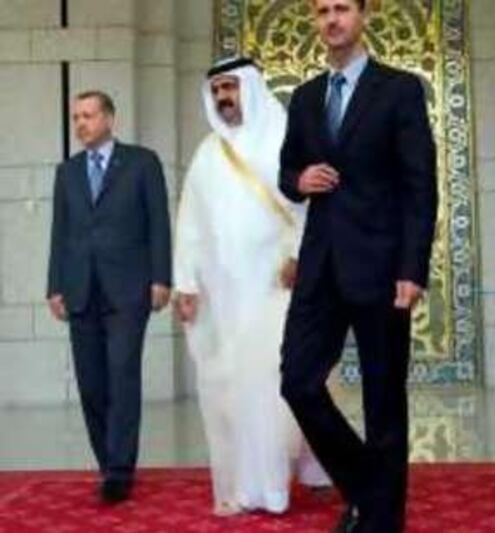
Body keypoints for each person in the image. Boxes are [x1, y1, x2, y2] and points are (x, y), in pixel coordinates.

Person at [278, 0, 438, 530]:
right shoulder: (304, 98)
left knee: (383, 401)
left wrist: (413, 269)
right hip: (321, 266)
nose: (331, 19)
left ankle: (381, 518)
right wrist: (299, 181)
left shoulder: (400, 89)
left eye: (341, 7)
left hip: (383, 268)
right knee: (297, 381)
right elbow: (286, 171)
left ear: (363, 16)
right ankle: (371, 486)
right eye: (322, 10)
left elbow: (420, 185)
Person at [173, 57, 330, 516]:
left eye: (231, 87)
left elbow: (311, 205)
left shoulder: (286, 138)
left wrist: (300, 256)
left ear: (252, 89)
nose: (224, 97)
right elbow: (190, 224)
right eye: (217, 89)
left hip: (277, 286)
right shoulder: (208, 154)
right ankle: (257, 478)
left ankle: (276, 484)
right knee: (234, 390)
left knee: (277, 382)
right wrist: (185, 283)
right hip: (226, 296)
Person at [46, 90, 172, 504]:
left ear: (109, 119)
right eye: (76, 117)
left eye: (88, 115)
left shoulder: (142, 163)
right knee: (92, 385)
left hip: (128, 290)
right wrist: (54, 286)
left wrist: (161, 278)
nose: (81, 124)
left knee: (121, 377)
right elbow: (60, 234)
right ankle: (107, 463)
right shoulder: (67, 172)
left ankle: (120, 471)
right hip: (80, 289)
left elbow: (158, 224)